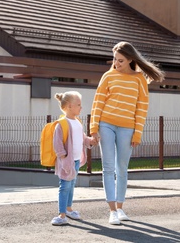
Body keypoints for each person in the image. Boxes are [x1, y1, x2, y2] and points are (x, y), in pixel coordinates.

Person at [90, 41, 165, 225]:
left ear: (130, 59)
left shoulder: (139, 79)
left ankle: (121, 207)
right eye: (114, 60)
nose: (116, 64)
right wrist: (93, 128)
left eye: (120, 60)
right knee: (108, 168)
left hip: (127, 128)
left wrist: (137, 133)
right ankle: (112, 211)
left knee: (121, 168)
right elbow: (98, 102)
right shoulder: (108, 76)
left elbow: (141, 108)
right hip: (106, 124)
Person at [51, 91, 96, 226]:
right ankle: (61, 214)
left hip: (75, 161)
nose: (81, 107)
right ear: (69, 106)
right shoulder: (62, 123)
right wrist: (64, 158)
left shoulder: (77, 122)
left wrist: (90, 141)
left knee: (71, 186)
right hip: (67, 162)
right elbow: (57, 143)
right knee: (64, 186)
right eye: (78, 105)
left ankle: (69, 209)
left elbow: (82, 138)